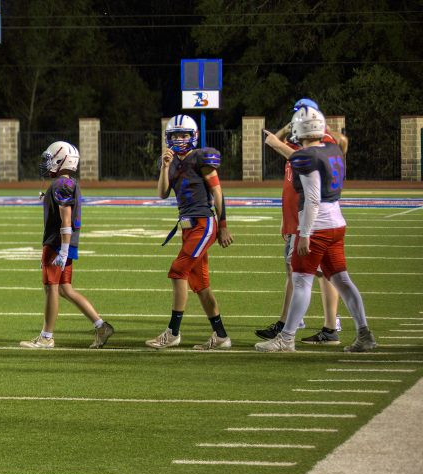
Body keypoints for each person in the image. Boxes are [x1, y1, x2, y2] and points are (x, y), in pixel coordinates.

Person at [256, 106, 377, 353]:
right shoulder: (333, 149)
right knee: (342, 280)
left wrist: (305, 234)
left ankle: (286, 338)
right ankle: (364, 334)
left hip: (317, 226)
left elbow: (312, 199)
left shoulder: (307, 156)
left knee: (301, 281)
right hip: (336, 223)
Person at [146, 115, 235, 351]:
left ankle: (173, 333)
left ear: (193, 136)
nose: (179, 139)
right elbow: (162, 193)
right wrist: (165, 167)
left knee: (178, 271)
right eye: (175, 135)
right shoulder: (170, 161)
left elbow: (218, 193)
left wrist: (223, 225)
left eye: (184, 135)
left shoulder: (201, 158)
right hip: (187, 227)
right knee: (200, 284)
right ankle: (221, 336)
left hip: (203, 223)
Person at [20, 141, 115, 349]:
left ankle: (46, 337)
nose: (47, 163)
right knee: (65, 289)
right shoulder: (67, 183)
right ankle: (101, 326)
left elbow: (66, 219)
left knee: (51, 288)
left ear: (61, 160)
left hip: (57, 244)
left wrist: (62, 250)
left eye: (50, 158)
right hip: (63, 244)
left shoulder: (62, 184)